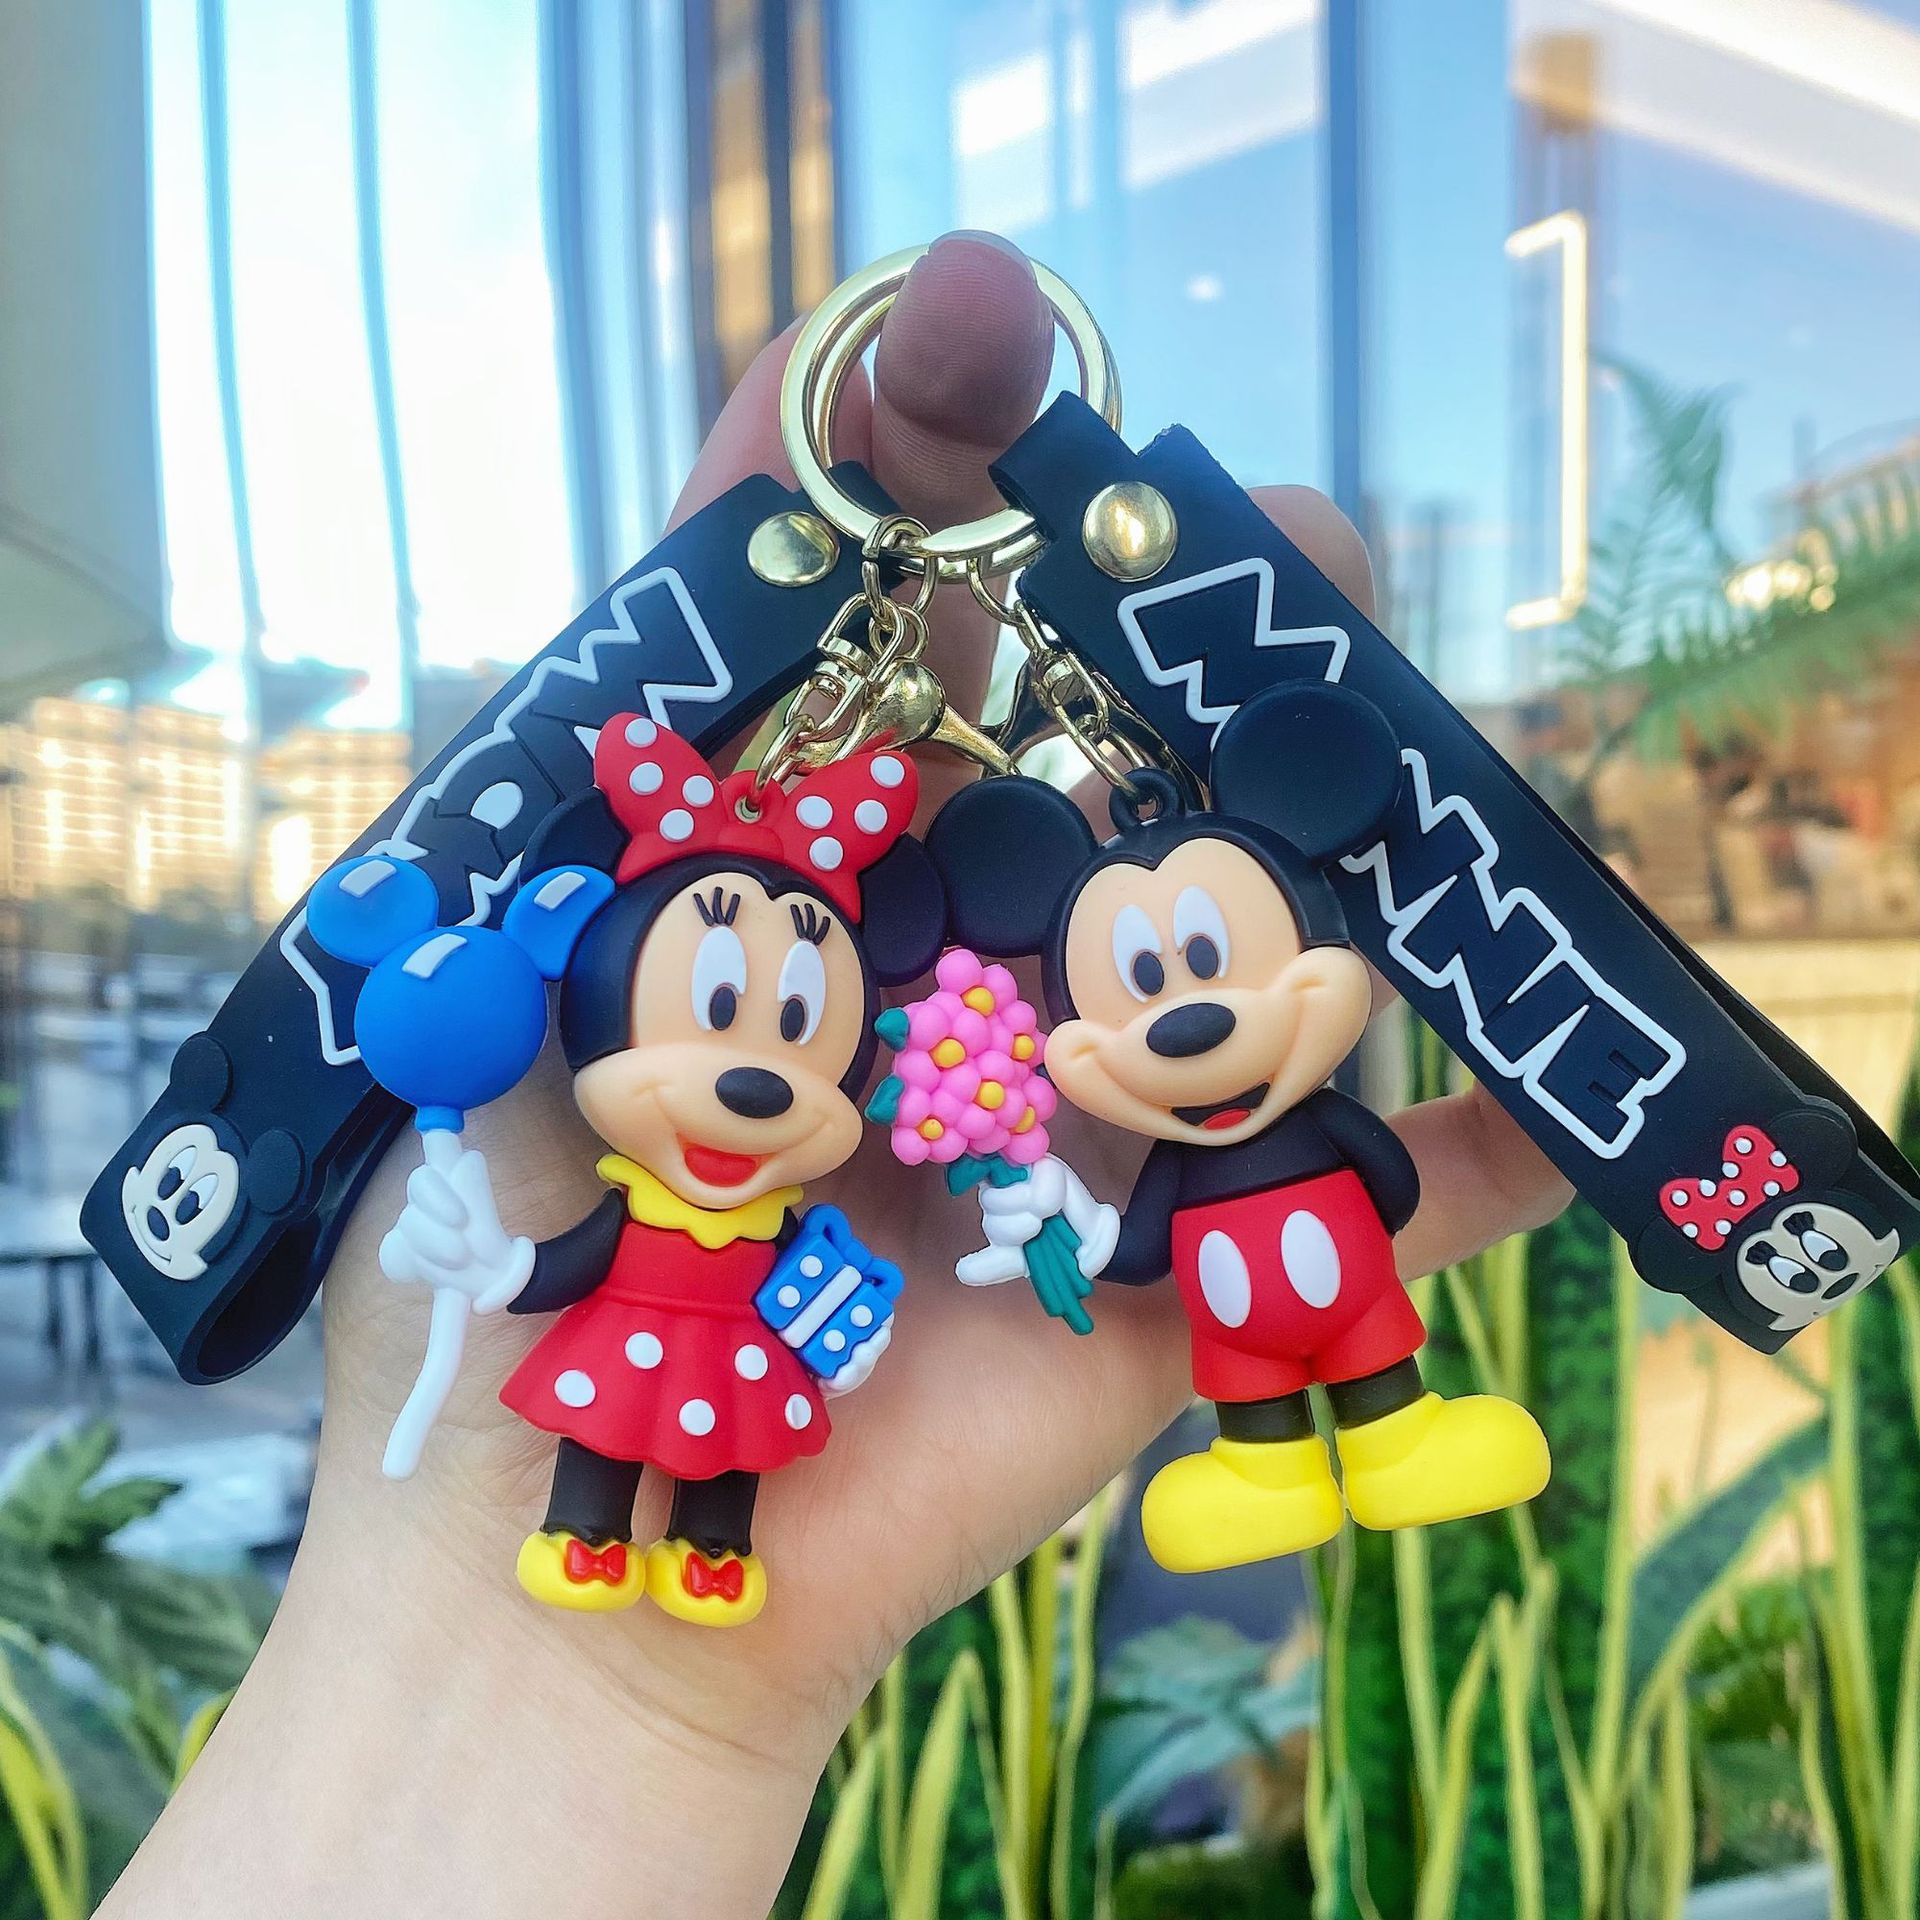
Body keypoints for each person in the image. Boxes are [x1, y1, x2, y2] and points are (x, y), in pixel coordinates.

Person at [100, 233, 1568, 1919]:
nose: (748, 1081)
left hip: (832, 1338)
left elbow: (1299, 1194)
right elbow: (567, 1263)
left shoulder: (1044, 1121)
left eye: (793, 1026)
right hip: (669, 1344)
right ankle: (609, 1536)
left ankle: (1350, 1434)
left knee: (734, 1450)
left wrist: (1048, 1230)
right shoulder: (660, 1174)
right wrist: (491, 1260)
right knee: (641, 1448)